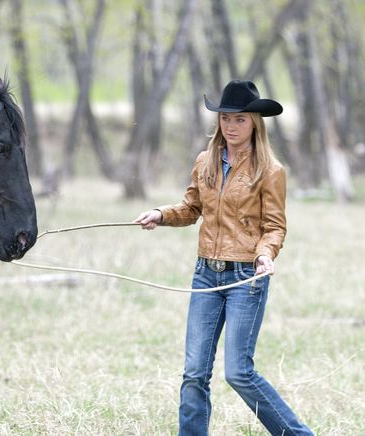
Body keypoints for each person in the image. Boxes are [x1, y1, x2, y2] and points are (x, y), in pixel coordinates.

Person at [134, 80, 313, 435]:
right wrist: (162, 214)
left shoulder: (270, 171)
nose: (231, 127)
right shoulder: (205, 161)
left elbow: (275, 226)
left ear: (255, 123)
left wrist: (264, 255)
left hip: (246, 278)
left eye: (240, 120)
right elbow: (191, 208)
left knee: (239, 373)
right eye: (225, 119)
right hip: (205, 276)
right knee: (194, 373)